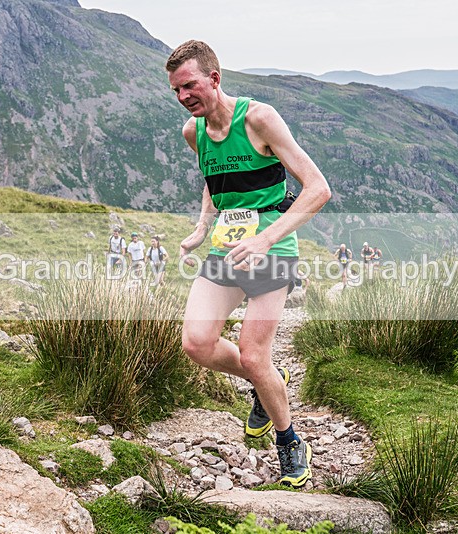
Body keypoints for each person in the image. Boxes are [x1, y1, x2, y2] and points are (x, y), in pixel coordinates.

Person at [166, 40, 331, 488]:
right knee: (197, 344)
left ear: (214, 79)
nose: (184, 97)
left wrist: (266, 238)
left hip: (272, 249)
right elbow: (213, 177)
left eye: (190, 86)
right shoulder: (193, 131)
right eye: (177, 90)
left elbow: (318, 188)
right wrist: (203, 225)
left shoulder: (259, 118)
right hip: (226, 248)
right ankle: (267, 382)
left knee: (255, 354)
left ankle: (290, 440)